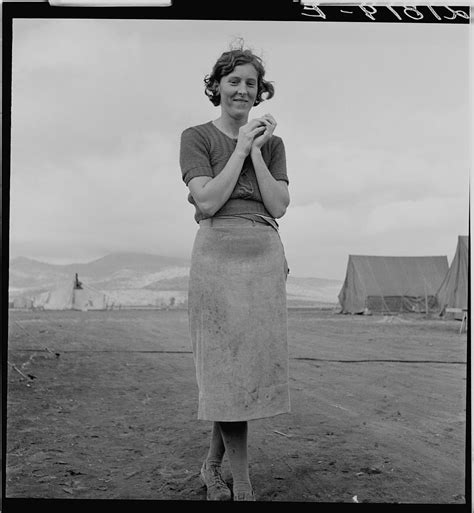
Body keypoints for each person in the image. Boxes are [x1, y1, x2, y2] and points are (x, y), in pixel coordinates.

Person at [179, 42, 290, 502]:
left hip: (263, 254)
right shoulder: (196, 136)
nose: (243, 90)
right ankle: (241, 481)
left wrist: (258, 152)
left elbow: (279, 206)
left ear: (260, 91)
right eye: (233, 81)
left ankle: (212, 466)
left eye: (251, 83)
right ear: (216, 86)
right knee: (225, 369)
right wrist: (242, 145)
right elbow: (207, 200)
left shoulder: (275, 144)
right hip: (217, 254)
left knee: (244, 370)